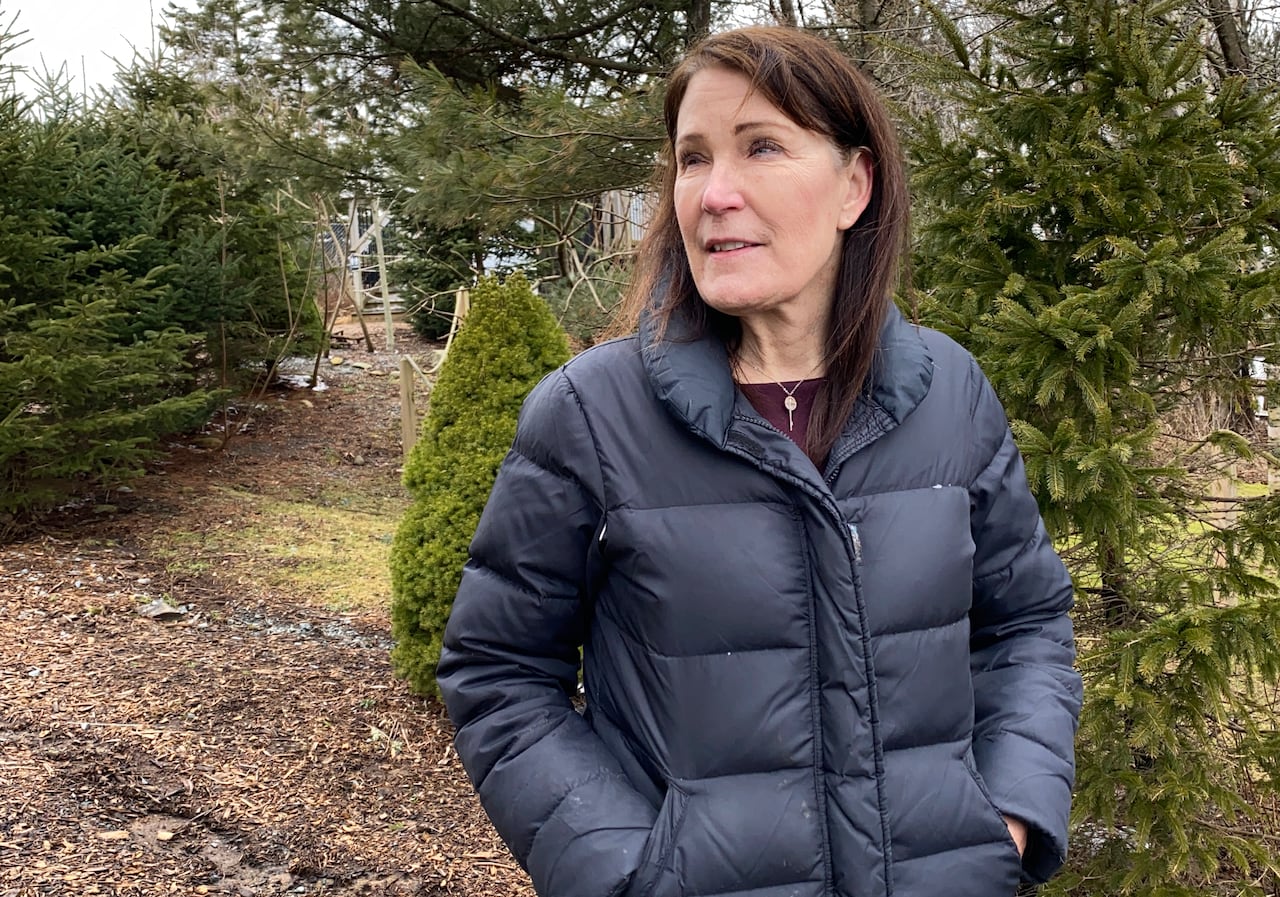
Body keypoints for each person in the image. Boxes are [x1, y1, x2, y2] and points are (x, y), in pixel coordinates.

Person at [436, 25, 1082, 897]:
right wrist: (628, 871)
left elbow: (1026, 625)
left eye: (762, 147)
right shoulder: (593, 414)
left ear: (855, 184)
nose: (713, 193)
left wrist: (1004, 816)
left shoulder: (950, 394)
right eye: (692, 159)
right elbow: (500, 671)